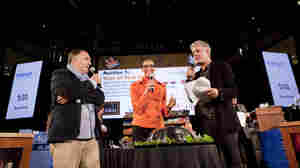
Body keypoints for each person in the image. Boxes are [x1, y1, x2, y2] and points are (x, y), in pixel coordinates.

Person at [186, 40, 242, 168]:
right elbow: (194, 100)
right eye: (193, 52)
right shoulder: (197, 76)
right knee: (214, 163)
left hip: (225, 123)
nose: (195, 55)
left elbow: (233, 90)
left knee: (233, 162)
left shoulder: (221, 66)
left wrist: (219, 92)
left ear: (207, 51)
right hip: (206, 126)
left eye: (198, 51)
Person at [48, 49, 105, 168]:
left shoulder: (88, 79)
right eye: (86, 59)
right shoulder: (60, 74)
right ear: (74, 60)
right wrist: (90, 85)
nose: (90, 63)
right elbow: (65, 92)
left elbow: (100, 99)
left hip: (91, 140)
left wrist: (75, 95)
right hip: (68, 139)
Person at [130, 58, 176, 142]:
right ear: (142, 69)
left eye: (151, 66)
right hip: (140, 125)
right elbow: (137, 109)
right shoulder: (135, 86)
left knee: (158, 154)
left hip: (157, 126)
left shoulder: (161, 86)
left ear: (154, 69)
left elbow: (163, 112)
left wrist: (170, 106)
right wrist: (147, 91)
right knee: (140, 154)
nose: (149, 68)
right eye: (145, 66)